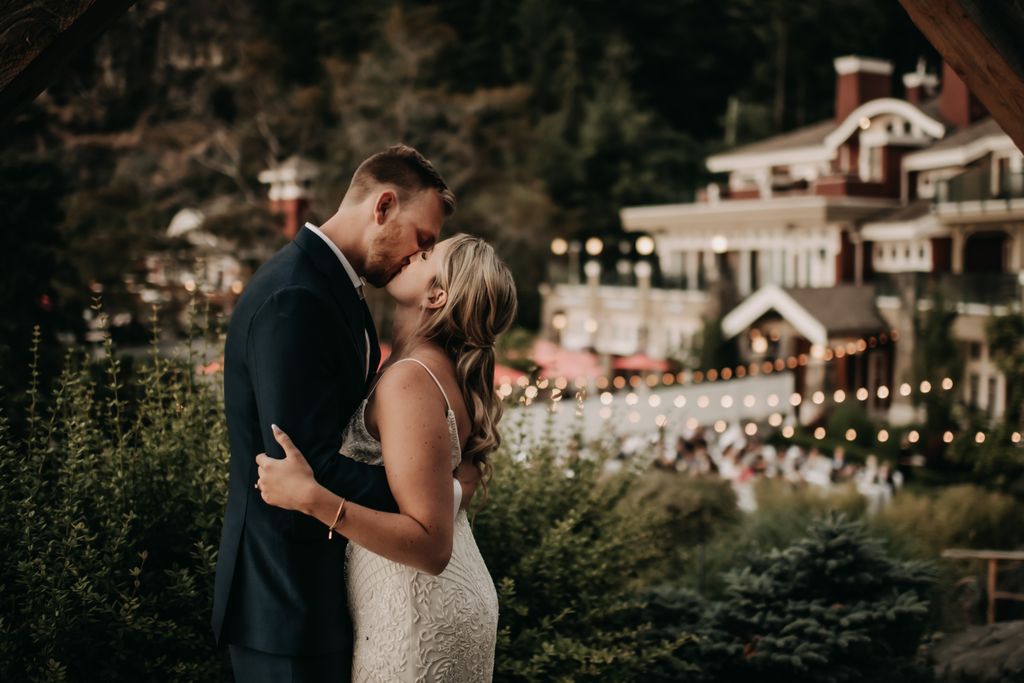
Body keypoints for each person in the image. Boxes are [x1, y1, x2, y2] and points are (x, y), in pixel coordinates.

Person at [213, 145, 458, 682]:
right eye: (422, 240)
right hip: (284, 600)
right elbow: (303, 460)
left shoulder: (339, 289)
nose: (418, 258)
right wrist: (430, 499)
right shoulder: (295, 296)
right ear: (384, 206)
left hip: (323, 593)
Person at [256, 233, 517, 681]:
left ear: (438, 294)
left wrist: (310, 499)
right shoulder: (425, 368)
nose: (415, 251)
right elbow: (458, 483)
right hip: (431, 595)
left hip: (417, 608)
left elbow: (432, 546)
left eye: (428, 253)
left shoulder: (410, 380)